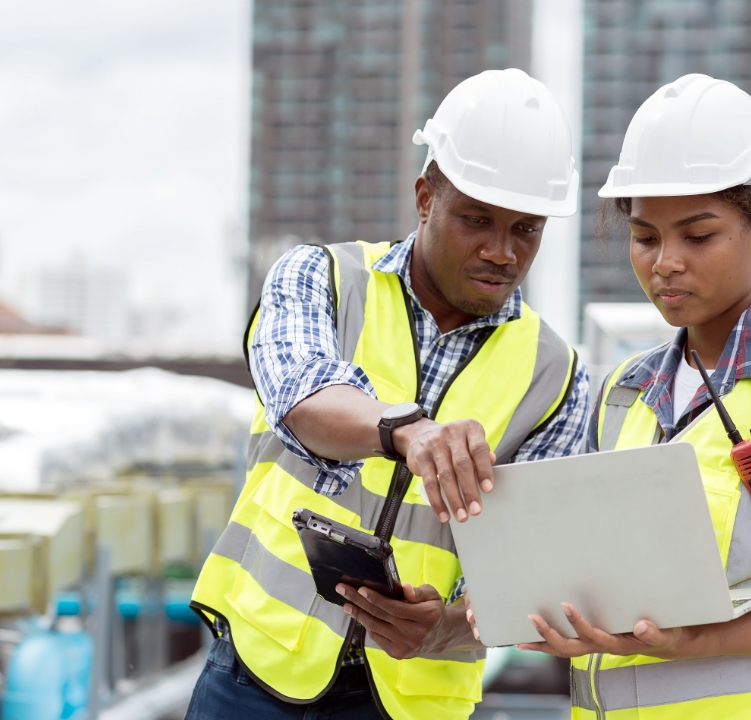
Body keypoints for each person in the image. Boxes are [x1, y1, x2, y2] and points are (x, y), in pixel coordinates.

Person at [186, 68, 591, 720]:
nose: (501, 251)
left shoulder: (559, 378)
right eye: (476, 219)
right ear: (425, 196)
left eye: (526, 229)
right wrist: (407, 428)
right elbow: (303, 397)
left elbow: (535, 576)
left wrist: (448, 625)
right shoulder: (322, 279)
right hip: (255, 678)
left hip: (413, 701)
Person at [505, 74, 751, 717]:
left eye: (698, 235)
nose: (666, 262)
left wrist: (695, 643)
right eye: (646, 236)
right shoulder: (623, 394)